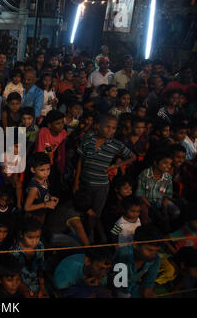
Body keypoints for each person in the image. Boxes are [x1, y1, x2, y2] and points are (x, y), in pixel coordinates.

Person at [74, 114, 136, 243]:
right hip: (85, 183)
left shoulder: (115, 144)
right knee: (82, 210)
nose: (110, 130)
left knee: (95, 214)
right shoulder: (88, 140)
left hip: (101, 186)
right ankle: (82, 235)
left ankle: (90, 235)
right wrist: (76, 182)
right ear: (99, 126)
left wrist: (115, 165)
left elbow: (132, 157)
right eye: (107, 127)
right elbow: (80, 161)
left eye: (113, 128)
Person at [112, 225, 162, 298]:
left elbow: (149, 282)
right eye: (150, 250)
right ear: (135, 245)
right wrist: (142, 291)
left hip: (131, 289)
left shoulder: (155, 259)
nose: (154, 254)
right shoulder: (123, 254)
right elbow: (119, 283)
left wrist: (146, 291)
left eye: (157, 250)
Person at [10, 216, 48, 298]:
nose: (34, 241)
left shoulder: (40, 246)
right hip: (19, 287)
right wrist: (27, 293)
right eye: (30, 237)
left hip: (36, 285)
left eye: (37, 237)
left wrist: (42, 288)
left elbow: (41, 268)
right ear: (21, 234)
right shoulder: (14, 252)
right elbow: (15, 277)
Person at [24, 152, 60, 225]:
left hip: (42, 213)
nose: (46, 173)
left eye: (48, 169)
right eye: (42, 170)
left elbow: (45, 192)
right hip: (34, 216)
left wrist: (50, 197)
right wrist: (46, 204)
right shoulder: (34, 188)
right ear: (33, 170)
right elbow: (27, 207)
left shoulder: (45, 179)